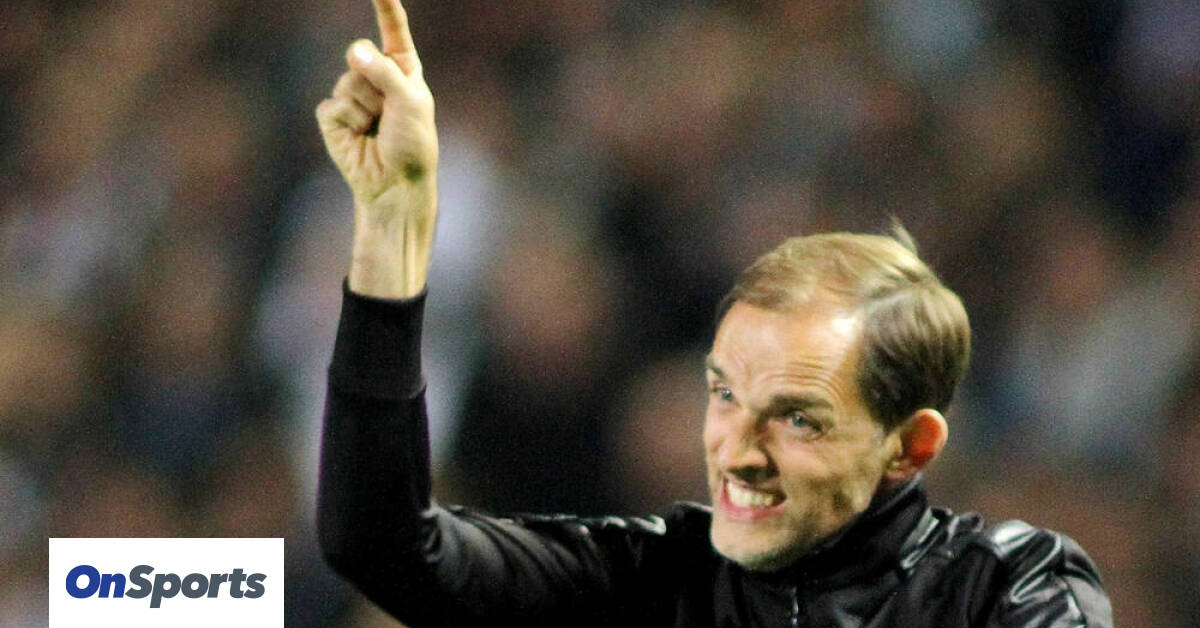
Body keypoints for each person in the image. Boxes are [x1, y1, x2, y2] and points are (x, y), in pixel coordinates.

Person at [314, 1, 1114, 626]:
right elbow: (385, 548)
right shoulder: (657, 579)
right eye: (725, 394)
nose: (738, 452)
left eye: (797, 418)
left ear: (908, 446)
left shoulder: (1008, 584)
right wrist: (393, 228)